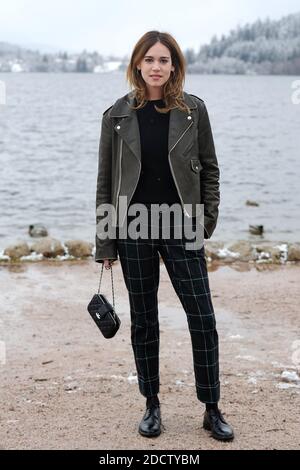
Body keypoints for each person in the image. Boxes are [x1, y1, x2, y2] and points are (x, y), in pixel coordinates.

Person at [95, 30, 234, 441]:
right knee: (145, 321)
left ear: (174, 66)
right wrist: (105, 241)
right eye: (150, 59)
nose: (157, 66)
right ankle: (151, 404)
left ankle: (211, 407)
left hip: (182, 226)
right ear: (138, 64)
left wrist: (205, 222)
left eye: (164, 60)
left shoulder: (194, 110)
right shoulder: (116, 116)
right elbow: (106, 182)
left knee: (203, 319)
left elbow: (210, 169)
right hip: (133, 228)